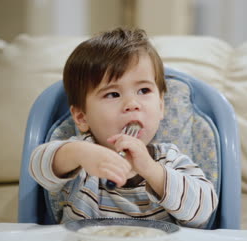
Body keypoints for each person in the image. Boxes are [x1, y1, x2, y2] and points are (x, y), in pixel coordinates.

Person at [29, 27, 218, 228]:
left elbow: (204, 211)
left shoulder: (169, 160)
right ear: (82, 117)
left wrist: (151, 170)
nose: (132, 103)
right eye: (113, 94)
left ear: (161, 106)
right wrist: (78, 153)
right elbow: (37, 168)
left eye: (143, 90)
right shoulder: (82, 160)